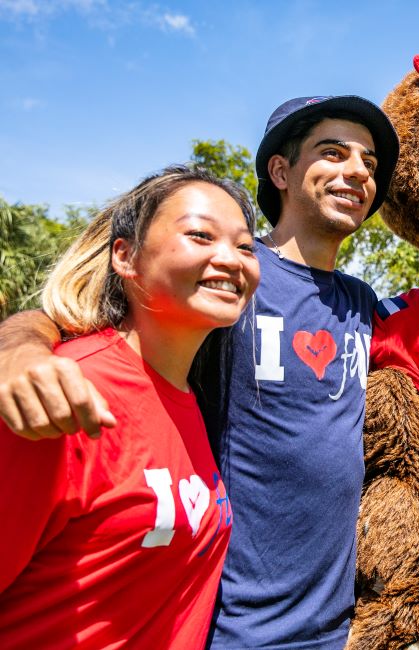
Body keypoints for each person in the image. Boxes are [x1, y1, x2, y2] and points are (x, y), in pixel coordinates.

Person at [0, 95, 400, 649]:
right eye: (332, 152)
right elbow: (72, 321)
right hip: (233, 623)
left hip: (336, 627)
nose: (356, 170)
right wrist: (16, 349)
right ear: (281, 171)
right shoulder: (225, 286)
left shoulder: (361, 301)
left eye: (370, 163)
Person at [0, 165, 259, 648]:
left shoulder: (196, 397)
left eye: (245, 246)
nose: (231, 260)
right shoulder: (62, 391)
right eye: (200, 235)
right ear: (125, 256)